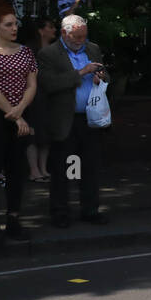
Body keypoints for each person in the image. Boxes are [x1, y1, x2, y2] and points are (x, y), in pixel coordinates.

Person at [0, 1, 39, 245]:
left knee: (16, 170)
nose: (14, 28)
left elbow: (32, 84)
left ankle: (14, 220)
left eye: (15, 24)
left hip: (20, 114)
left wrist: (21, 109)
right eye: (8, 24)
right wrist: (16, 114)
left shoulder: (26, 52)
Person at [39, 14, 108, 226]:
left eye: (83, 36)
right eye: (77, 37)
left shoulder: (92, 48)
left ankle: (90, 210)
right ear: (64, 33)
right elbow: (49, 84)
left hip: (90, 118)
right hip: (65, 120)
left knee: (90, 167)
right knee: (64, 169)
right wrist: (81, 72)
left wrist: (101, 77)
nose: (81, 41)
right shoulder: (49, 54)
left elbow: (105, 73)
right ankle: (61, 213)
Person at [24, 17, 57, 183]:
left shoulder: (55, 50)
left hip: (50, 95)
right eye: (50, 26)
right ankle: (33, 170)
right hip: (33, 96)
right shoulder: (29, 50)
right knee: (32, 133)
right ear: (40, 30)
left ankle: (43, 168)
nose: (54, 30)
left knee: (46, 134)